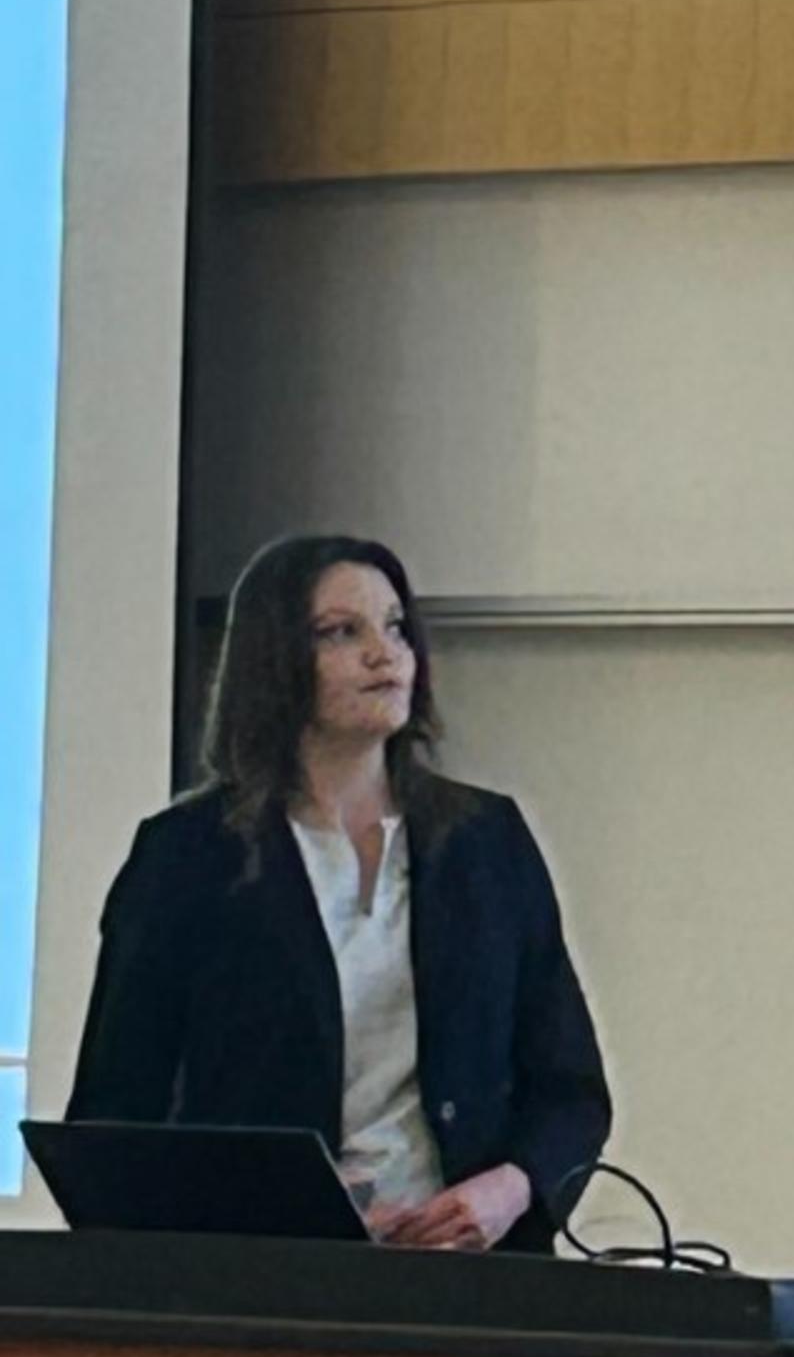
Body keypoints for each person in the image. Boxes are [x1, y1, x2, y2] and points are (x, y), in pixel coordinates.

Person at [69, 533, 610, 1252]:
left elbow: (569, 1090)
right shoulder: (187, 857)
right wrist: (293, 1212)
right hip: (262, 1276)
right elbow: (112, 1125)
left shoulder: (487, 842)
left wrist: (509, 1191)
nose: (385, 655)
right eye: (341, 633)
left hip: (470, 1272)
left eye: (396, 628)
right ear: (275, 660)